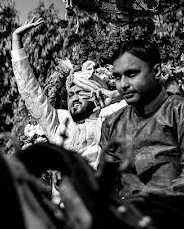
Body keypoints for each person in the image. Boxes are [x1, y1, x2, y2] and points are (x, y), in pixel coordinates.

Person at [99, 38, 184, 199]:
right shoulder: (112, 124)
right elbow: (105, 182)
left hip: (182, 214)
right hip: (129, 218)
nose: (123, 85)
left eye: (131, 74)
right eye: (117, 77)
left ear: (156, 71)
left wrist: (147, 205)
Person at [10, 17, 125, 168]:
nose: (74, 98)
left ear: (97, 93)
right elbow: (29, 91)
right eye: (70, 94)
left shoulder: (110, 116)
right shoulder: (58, 121)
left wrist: (117, 95)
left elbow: (147, 96)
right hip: (65, 190)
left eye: (81, 92)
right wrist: (16, 40)